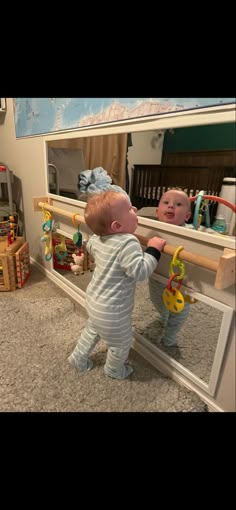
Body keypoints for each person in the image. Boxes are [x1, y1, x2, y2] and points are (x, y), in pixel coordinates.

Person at [68, 190, 166, 380]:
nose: (135, 209)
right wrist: (153, 249)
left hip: (94, 300)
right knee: (121, 343)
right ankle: (114, 369)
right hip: (113, 311)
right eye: (130, 208)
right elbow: (140, 271)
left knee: (93, 329)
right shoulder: (128, 241)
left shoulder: (97, 239)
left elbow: (89, 246)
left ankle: (78, 357)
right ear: (117, 225)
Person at [148, 189, 192, 347]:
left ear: (187, 216)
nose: (171, 206)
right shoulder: (151, 229)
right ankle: (164, 316)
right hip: (157, 278)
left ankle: (171, 334)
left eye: (178, 204)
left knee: (179, 312)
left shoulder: (191, 235)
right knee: (156, 301)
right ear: (157, 212)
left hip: (180, 284)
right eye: (166, 202)